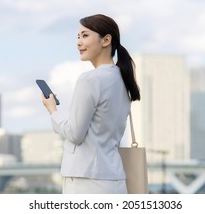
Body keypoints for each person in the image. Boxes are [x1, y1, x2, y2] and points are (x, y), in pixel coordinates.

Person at [41, 14, 140, 194]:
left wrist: (53, 110)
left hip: (86, 181)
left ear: (106, 40)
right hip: (115, 179)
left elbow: (74, 134)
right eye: (78, 37)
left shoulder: (90, 80)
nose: (79, 42)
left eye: (85, 35)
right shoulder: (123, 80)